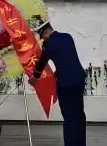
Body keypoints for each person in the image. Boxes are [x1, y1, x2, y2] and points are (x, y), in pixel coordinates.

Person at [28, 17, 87, 146]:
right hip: (79, 80)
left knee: (69, 118)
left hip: (66, 84)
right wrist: (57, 71)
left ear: (44, 32)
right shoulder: (67, 37)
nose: (42, 39)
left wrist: (34, 78)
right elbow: (68, 60)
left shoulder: (48, 45)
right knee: (79, 114)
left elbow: (41, 64)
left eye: (41, 36)